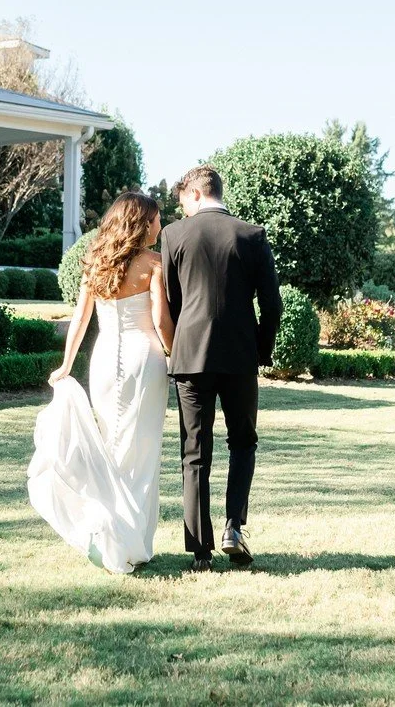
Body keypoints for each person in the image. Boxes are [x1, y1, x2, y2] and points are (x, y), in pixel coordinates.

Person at [28, 192, 174, 573]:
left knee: (111, 445)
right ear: (142, 223)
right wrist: (176, 353)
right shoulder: (155, 264)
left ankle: (109, 533)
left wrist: (66, 365)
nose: (161, 225)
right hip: (146, 361)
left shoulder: (97, 262)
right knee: (140, 450)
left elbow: (79, 321)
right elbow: (160, 322)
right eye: (157, 219)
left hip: (104, 362)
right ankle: (132, 541)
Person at [160, 165, 282, 572]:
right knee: (243, 442)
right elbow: (272, 304)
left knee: (194, 452)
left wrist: (181, 343)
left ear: (195, 194)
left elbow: (172, 301)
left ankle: (200, 550)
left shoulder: (174, 235)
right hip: (240, 356)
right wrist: (260, 350)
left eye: (182, 203)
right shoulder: (252, 235)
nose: (183, 210)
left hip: (189, 356)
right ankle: (233, 527)